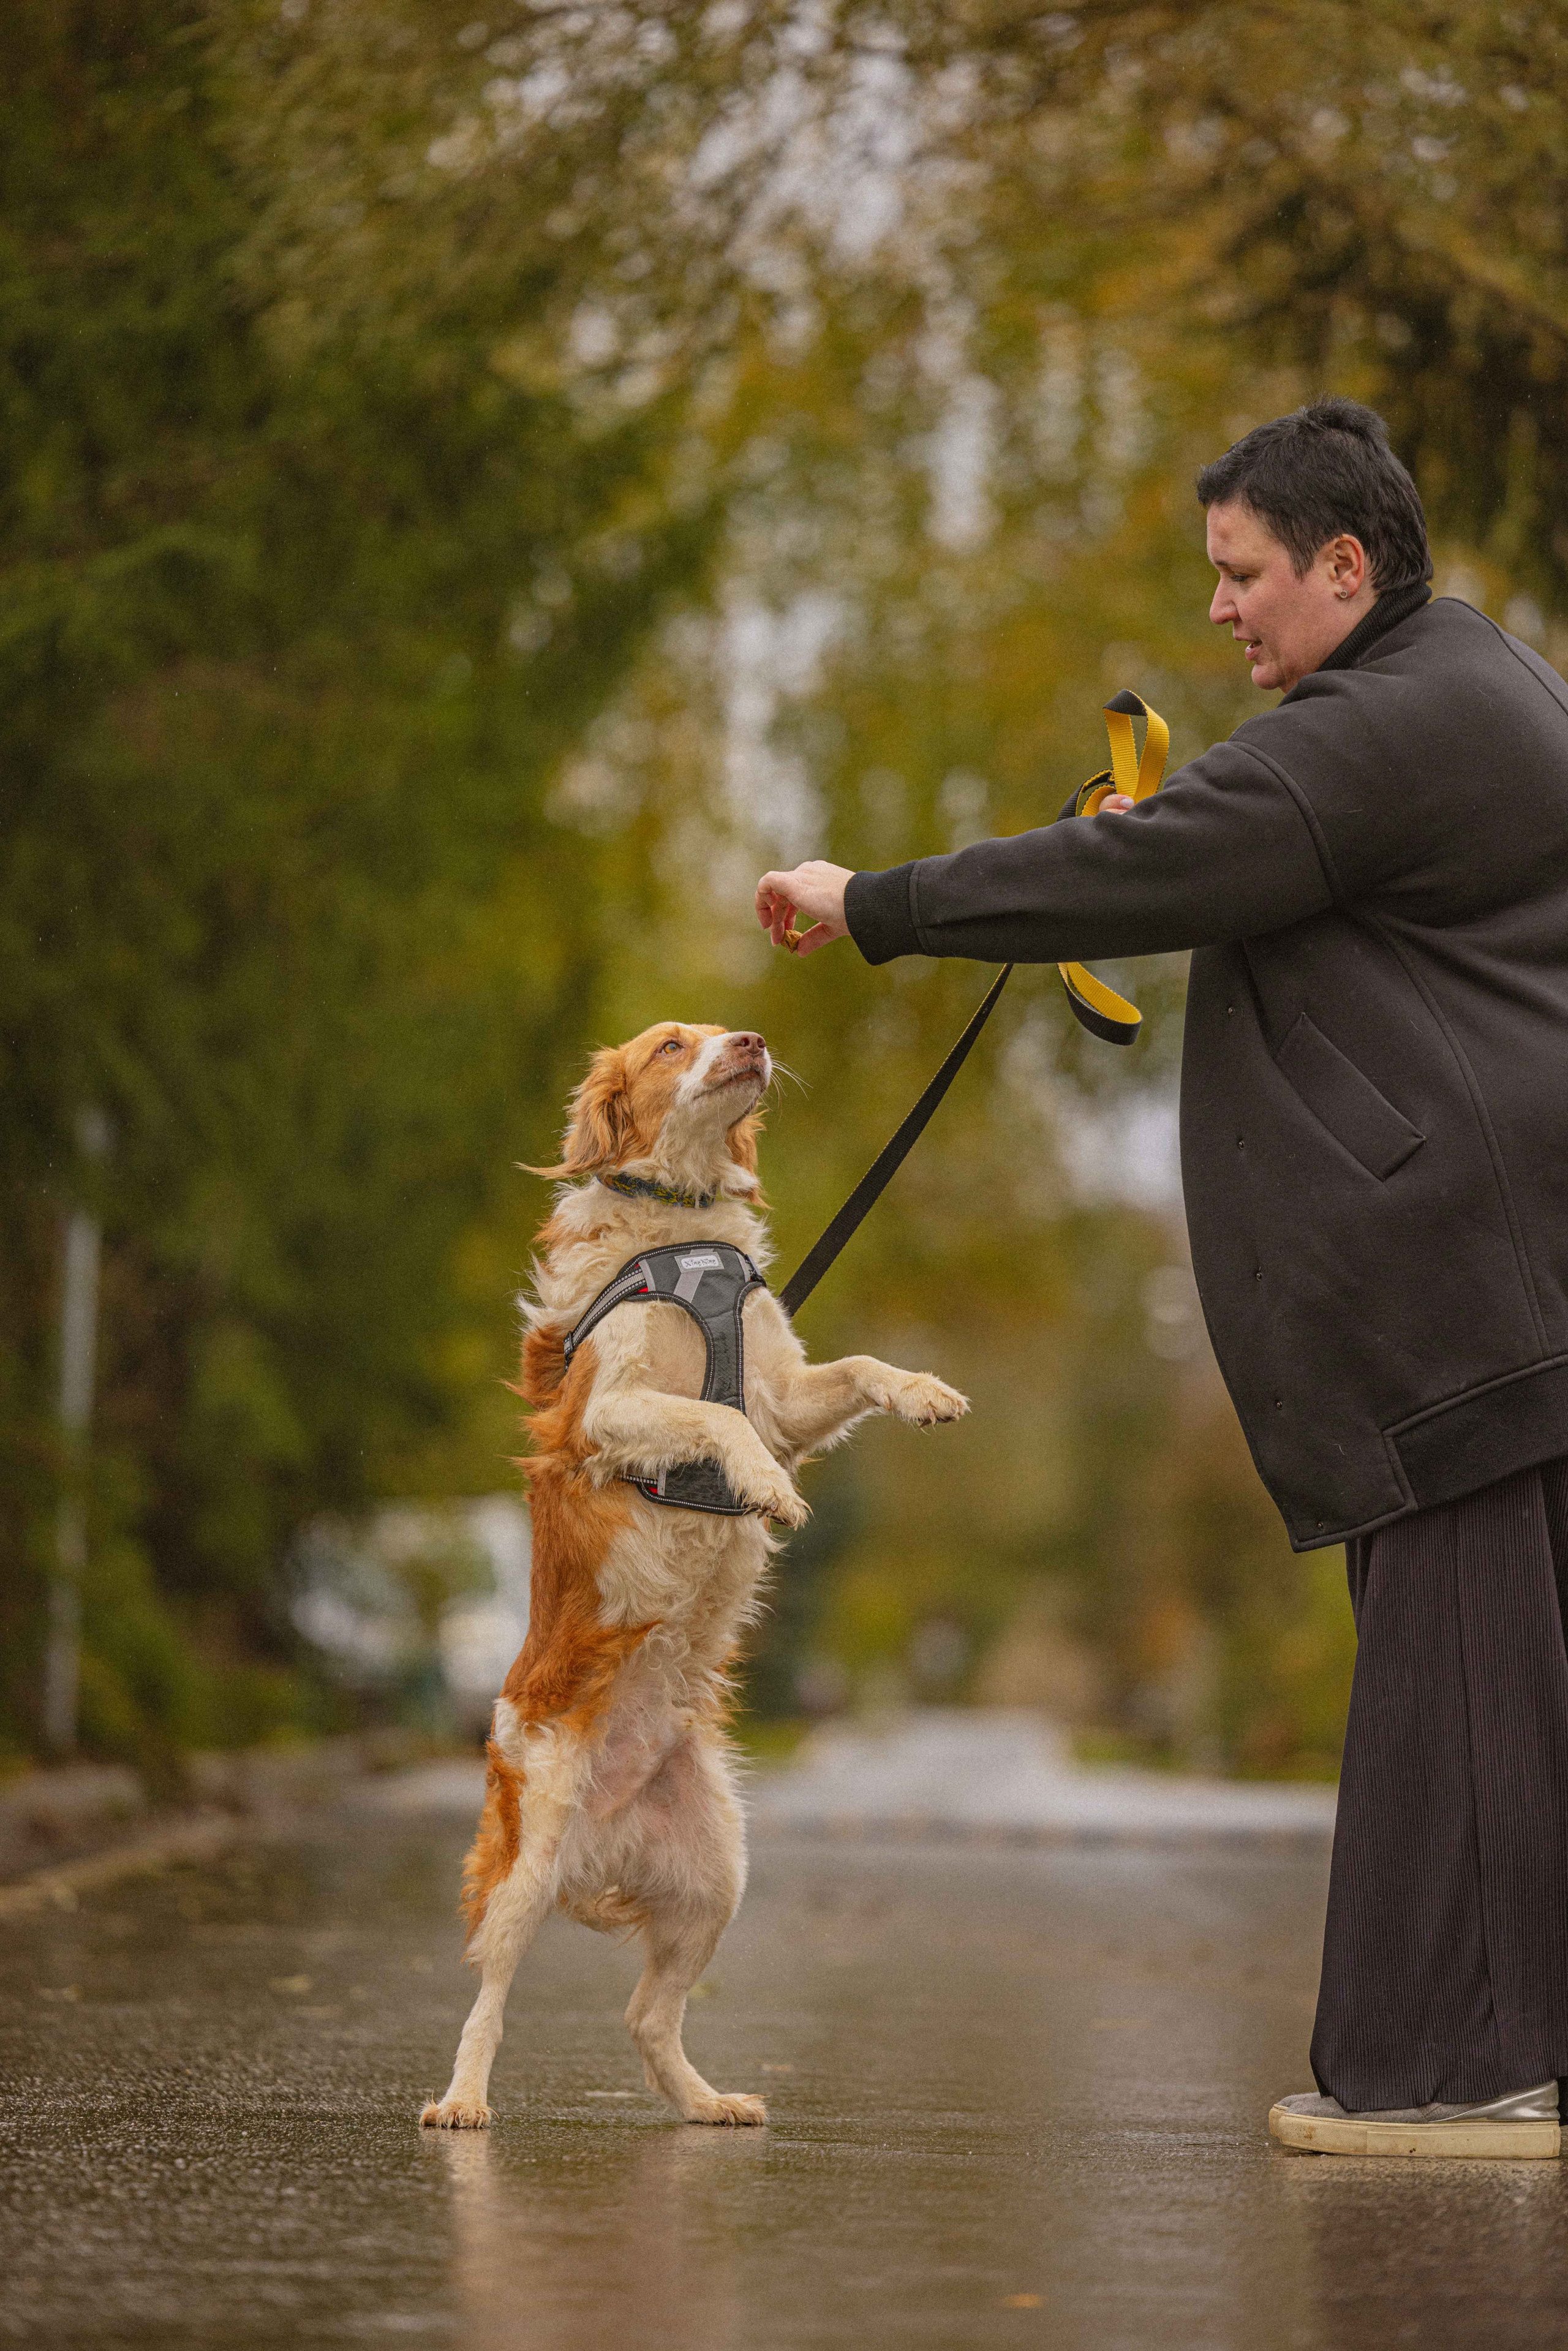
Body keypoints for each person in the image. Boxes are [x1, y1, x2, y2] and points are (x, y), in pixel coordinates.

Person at [755, 397, 1568, 2158]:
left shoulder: (1388, 728)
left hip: (1464, 1304)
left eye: (1244, 574)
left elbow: (1136, 863)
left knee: (1465, 1687)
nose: (1219, 611)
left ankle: (1463, 2074)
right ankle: (1475, 2061)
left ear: (1348, 569)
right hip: (1502, 1286)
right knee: (1498, 1675)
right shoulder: (1467, 684)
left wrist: (870, 897)